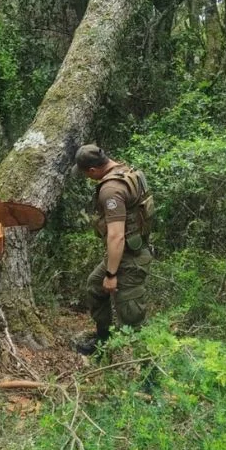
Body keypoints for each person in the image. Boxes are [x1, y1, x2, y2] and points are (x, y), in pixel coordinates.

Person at [73, 144, 154, 356]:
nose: (87, 177)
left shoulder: (111, 190)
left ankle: (149, 374)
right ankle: (104, 341)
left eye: (85, 174)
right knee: (95, 286)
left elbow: (116, 236)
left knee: (132, 315)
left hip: (129, 257)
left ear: (93, 170)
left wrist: (111, 274)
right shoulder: (126, 171)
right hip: (129, 250)